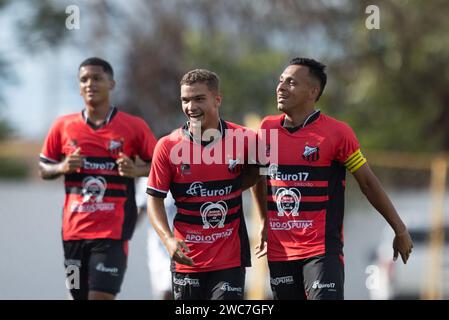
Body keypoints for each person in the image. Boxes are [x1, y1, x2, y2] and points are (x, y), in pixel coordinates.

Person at [252, 57, 414, 300]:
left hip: (321, 251)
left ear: (312, 91)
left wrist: (399, 229)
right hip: (280, 251)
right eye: (280, 81)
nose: (281, 87)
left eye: (292, 82)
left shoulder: (338, 133)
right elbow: (259, 177)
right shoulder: (266, 129)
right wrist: (264, 219)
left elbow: (368, 183)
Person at [39, 57, 157, 300]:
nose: (90, 84)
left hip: (112, 232)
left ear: (111, 83)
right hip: (73, 232)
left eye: (97, 78)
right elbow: (44, 168)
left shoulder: (133, 126)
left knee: (100, 297)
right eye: (84, 79)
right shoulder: (63, 126)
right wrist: (62, 166)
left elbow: (161, 167)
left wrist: (137, 171)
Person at [146, 69, 260, 300]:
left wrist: (265, 219)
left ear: (217, 99)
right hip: (187, 259)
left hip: (230, 257)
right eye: (185, 100)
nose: (191, 107)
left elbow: (259, 176)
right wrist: (168, 240)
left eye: (199, 99)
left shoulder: (246, 139)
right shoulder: (167, 146)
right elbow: (154, 200)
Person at [135, 177, 174, 300]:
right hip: (158, 252)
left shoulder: (187, 175)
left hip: (184, 247)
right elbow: (138, 212)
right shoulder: (147, 179)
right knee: (163, 293)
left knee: (170, 292)